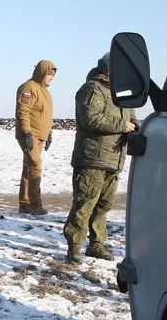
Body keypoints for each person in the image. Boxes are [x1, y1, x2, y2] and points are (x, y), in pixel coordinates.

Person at [64, 53, 139, 264]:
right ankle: (74, 246)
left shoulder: (121, 93)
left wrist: (139, 127)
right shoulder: (91, 89)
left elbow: (130, 116)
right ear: (108, 70)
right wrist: (121, 126)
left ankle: (96, 244)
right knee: (84, 204)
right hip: (91, 160)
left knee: (103, 206)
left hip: (114, 159)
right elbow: (91, 119)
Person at [15, 60, 57, 216]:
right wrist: (26, 134)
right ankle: (35, 204)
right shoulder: (29, 87)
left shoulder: (44, 91)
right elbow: (23, 111)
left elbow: (45, 115)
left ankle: (24, 204)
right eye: (50, 78)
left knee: (29, 167)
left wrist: (49, 133)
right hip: (30, 135)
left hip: (40, 135)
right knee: (35, 166)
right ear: (43, 74)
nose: (50, 81)